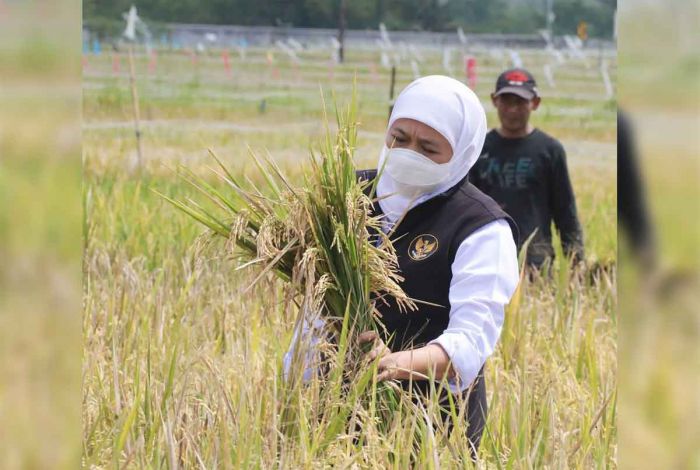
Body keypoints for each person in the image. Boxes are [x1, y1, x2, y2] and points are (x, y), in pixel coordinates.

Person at [286, 75, 519, 457]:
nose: (410, 153)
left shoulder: (479, 226)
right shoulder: (347, 196)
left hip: (432, 425)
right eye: (399, 138)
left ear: (462, 151)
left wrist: (394, 364)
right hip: (335, 418)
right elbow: (316, 302)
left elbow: (472, 343)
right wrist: (297, 377)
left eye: (428, 147)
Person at [469, 68, 585, 269]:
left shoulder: (550, 150)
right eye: (506, 101)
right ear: (494, 100)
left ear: (535, 103)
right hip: (487, 257)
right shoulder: (479, 148)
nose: (512, 109)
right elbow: (466, 206)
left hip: (536, 261)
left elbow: (565, 209)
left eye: (520, 102)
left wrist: (575, 259)